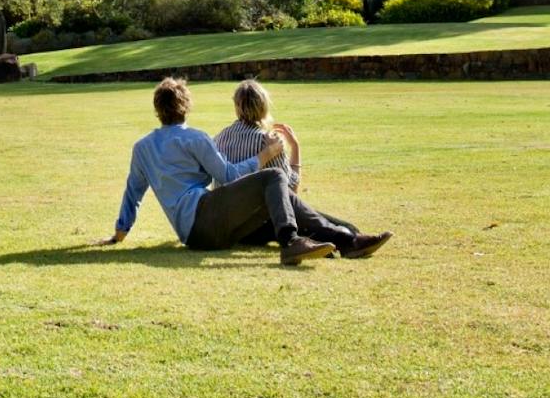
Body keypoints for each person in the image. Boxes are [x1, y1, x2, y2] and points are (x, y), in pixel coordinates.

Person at [104, 77, 386, 266]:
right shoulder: (196, 138)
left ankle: (347, 239)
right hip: (205, 217)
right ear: (186, 106)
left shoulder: (142, 147)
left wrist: (120, 233)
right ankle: (291, 242)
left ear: (158, 110)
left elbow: (133, 192)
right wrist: (264, 156)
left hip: (195, 235)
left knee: (278, 197)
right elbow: (227, 176)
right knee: (275, 177)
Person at [213, 79, 391, 259]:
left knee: (310, 219)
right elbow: (290, 192)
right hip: (259, 224)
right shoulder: (267, 142)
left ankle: (348, 239)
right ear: (264, 106)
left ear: (236, 106)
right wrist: (295, 148)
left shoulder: (219, 138)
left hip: (231, 224)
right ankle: (350, 239)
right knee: (309, 219)